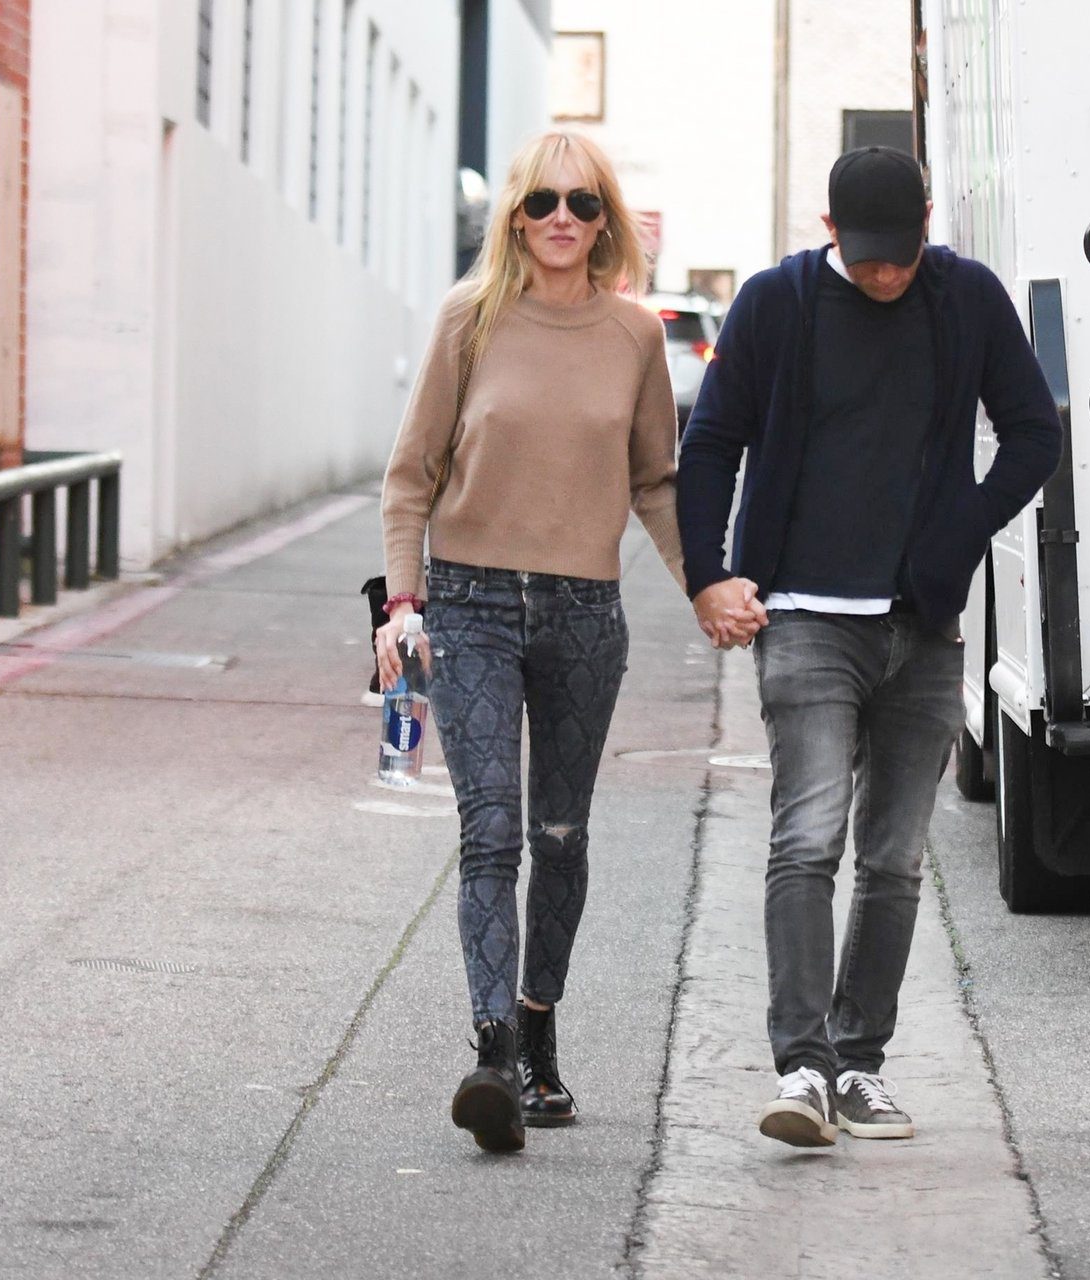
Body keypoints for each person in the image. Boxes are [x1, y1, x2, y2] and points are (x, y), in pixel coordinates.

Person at [677, 146, 1063, 1147]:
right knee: (808, 839)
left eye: (901, 252)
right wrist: (709, 574)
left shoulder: (966, 299)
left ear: (927, 225)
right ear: (829, 230)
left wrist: (962, 528)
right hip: (804, 619)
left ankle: (860, 1065)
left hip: (922, 626)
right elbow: (710, 441)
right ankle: (802, 1068)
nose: (886, 273)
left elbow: (1034, 429)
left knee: (892, 858)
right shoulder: (777, 304)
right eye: (866, 256)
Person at [377, 130, 744, 1154]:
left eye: (583, 204)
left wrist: (705, 583)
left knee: (560, 836)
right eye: (542, 201)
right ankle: (494, 1056)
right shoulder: (469, 317)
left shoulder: (634, 335)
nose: (562, 220)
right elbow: (411, 473)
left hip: (585, 611)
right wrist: (400, 603)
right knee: (491, 827)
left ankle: (539, 1029)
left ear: (605, 219)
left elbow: (656, 480)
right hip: (470, 604)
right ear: (515, 214)